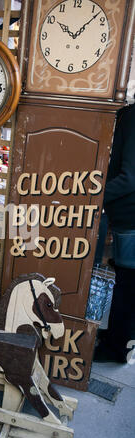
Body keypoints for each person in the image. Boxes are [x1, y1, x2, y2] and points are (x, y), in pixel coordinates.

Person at [94, 101, 135, 363]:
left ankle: (118, 347)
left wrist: (94, 195)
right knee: (126, 282)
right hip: (127, 218)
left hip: (131, 219)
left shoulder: (132, 117)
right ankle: (116, 339)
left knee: (128, 287)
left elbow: (130, 176)